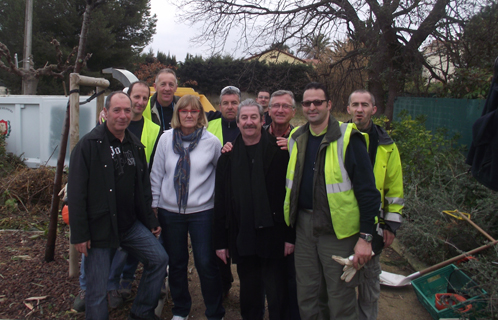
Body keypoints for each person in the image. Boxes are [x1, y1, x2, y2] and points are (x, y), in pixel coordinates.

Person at [283, 82, 380, 320]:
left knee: (340, 297)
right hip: (305, 228)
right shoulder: (296, 137)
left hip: (338, 232)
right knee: (308, 293)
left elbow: (368, 193)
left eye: (318, 102)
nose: (312, 107)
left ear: (329, 105)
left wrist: (366, 238)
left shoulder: (349, 138)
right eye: (307, 103)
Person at [68, 91, 168, 320]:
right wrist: (80, 234)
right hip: (100, 229)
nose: (123, 116)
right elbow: (76, 193)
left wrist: (151, 221)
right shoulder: (88, 146)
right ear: (105, 112)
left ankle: (142, 311)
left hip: (129, 226)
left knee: (159, 259)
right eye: (117, 110)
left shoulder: (134, 145)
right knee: (96, 292)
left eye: (127, 110)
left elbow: (142, 189)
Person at [214, 99, 295, 319]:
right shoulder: (227, 158)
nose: (249, 122)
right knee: (249, 295)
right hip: (243, 235)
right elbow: (221, 204)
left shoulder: (281, 153)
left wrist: (290, 236)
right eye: (244, 118)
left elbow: (289, 199)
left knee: (278, 294)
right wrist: (221, 242)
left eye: (253, 117)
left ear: (262, 120)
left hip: (275, 235)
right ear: (238, 122)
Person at [150, 95, 225, 320]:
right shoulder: (165, 139)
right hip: (169, 212)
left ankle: (215, 312)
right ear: (178, 114)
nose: (189, 115)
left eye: (194, 111)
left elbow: (221, 175)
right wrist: (154, 205)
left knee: (205, 262)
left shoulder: (211, 142)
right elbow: (157, 174)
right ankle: (181, 310)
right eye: (184, 111)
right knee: (177, 262)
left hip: (202, 212)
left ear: (201, 115)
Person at [347, 89, 404, 320]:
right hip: (344, 223)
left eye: (364, 105)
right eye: (355, 105)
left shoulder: (387, 145)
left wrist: (391, 225)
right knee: (344, 282)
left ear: (374, 109)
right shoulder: (338, 138)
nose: (359, 109)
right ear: (348, 108)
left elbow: (395, 187)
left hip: (374, 226)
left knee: (370, 282)